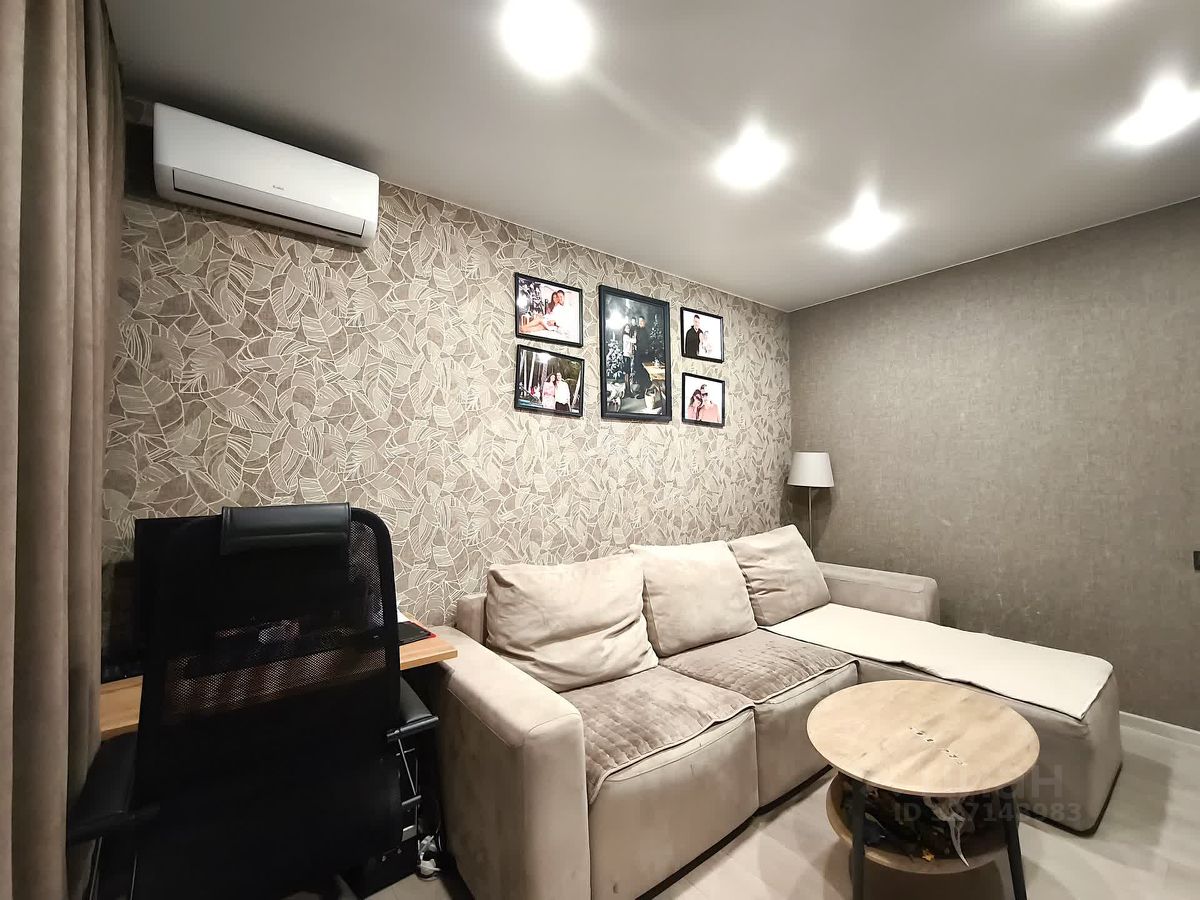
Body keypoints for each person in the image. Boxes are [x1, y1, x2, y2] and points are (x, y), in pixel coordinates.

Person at [621, 323, 635, 394]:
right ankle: (627, 390)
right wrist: (635, 335)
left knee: (628, 373)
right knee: (627, 373)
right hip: (626, 356)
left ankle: (628, 389)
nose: (628, 329)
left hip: (628, 356)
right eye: (626, 328)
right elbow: (634, 341)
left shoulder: (628, 336)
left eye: (629, 328)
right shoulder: (625, 336)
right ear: (624, 329)